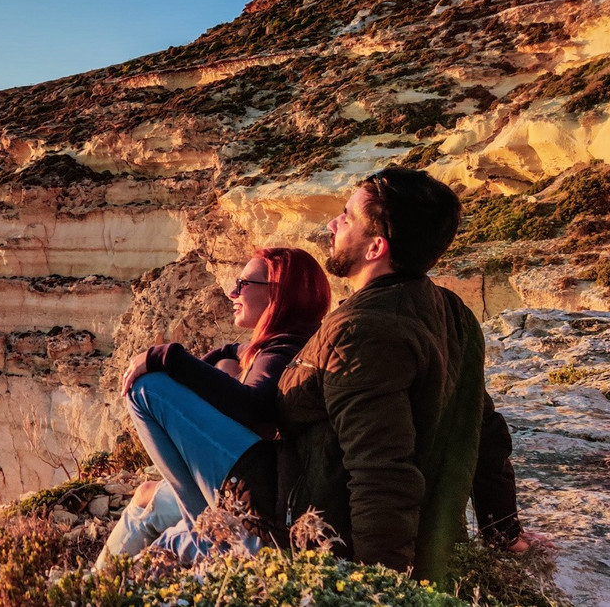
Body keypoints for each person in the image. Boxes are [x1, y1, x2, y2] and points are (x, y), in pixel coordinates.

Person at [268, 167, 529, 581]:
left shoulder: (361, 330)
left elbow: (381, 470)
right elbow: (486, 431)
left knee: (152, 395)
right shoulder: (451, 311)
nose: (333, 224)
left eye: (348, 217)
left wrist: (381, 586)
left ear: (376, 247)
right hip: (415, 535)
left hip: (323, 537)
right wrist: (503, 533)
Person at [112, 247, 331, 564]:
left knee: (147, 388)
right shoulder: (293, 338)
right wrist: (221, 358)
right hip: (260, 494)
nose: (232, 292)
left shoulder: (286, 347)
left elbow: (253, 406)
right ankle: (91, 588)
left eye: (243, 284)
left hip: (263, 509)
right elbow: (237, 351)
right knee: (156, 545)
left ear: (278, 294)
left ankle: (206, 537)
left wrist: (169, 357)